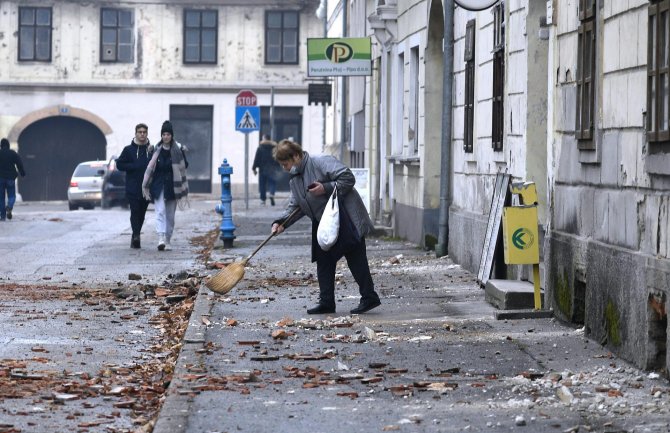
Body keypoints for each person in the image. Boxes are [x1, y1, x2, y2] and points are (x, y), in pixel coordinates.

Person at [271, 139, 381, 315]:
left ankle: (369, 297)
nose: (285, 168)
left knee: (355, 257)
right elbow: (296, 207)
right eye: (282, 165)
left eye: (286, 164)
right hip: (324, 223)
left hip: (346, 217)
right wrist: (281, 223)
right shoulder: (295, 180)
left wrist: (326, 187)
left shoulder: (320, 161)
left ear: (297, 156)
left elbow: (348, 178)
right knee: (324, 261)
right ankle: (327, 302)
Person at [142, 120, 189, 251]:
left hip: (173, 186)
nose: (166, 137)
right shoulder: (156, 150)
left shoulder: (177, 150)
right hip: (158, 185)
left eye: (168, 134)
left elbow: (185, 165)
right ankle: (161, 238)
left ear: (171, 135)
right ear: (161, 136)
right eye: (164, 134)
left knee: (170, 215)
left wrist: (182, 153)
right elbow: (150, 166)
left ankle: (168, 239)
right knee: (160, 211)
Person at [115, 123, 154, 248]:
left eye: (144, 132)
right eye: (140, 132)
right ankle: (136, 235)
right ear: (136, 133)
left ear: (147, 134)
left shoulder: (151, 150)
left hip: (147, 188)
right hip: (132, 187)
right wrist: (133, 166)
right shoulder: (128, 150)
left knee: (142, 213)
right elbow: (120, 165)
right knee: (135, 210)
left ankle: (135, 234)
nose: (142, 134)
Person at [0, 138, 26, 221]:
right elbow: (19, 163)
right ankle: (9, 206)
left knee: (1, 198)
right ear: (8, 145)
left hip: (0, 178)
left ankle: (3, 216)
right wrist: (22, 173)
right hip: (10, 178)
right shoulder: (13, 153)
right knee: (12, 196)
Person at [252, 134, 281, 206]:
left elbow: (257, 158)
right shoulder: (274, 147)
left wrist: (254, 168)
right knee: (272, 183)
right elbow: (277, 157)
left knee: (262, 185)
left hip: (262, 169)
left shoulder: (260, 147)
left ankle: (263, 200)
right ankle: (271, 194)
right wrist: (278, 166)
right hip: (272, 169)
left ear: (264, 139)